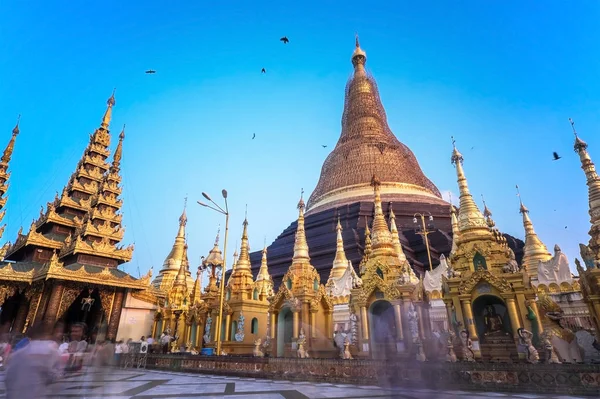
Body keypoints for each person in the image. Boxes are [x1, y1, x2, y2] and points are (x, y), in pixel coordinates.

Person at [5, 322, 60, 399]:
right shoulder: (50, 352)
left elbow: (8, 378)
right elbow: (54, 376)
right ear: (46, 335)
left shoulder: (18, 354)